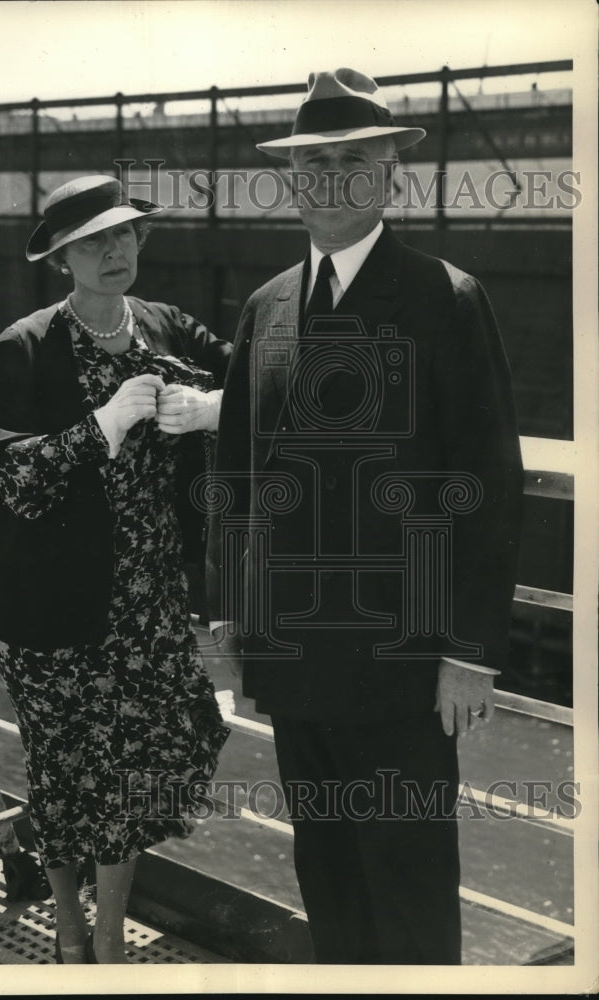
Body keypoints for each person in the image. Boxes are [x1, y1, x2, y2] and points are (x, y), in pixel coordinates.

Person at [206, 68, 523, 964]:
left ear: (388, 174)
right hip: (292, 650)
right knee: (328, 871)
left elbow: (486, 480)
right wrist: (227, 616)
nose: (328, 178)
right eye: (312, 163)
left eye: (351, 160)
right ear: (293, 178)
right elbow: (233, 476)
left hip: (404, 662)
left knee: (408, 880)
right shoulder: (265, 305)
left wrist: (467, 653)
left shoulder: (442, 297)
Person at [0, 174, 231, 964]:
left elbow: (261, 375)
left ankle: (113, 926)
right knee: (66, 774)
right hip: (52, 607)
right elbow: (15, 480)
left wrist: (215, 405)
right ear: (61, 256)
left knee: (149, 762)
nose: (115, 251)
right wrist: (102, 424)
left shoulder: (166, 326)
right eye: (94, 241)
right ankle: (68, 922)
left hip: (149, 601)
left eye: (124, 235)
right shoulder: (22, 347)